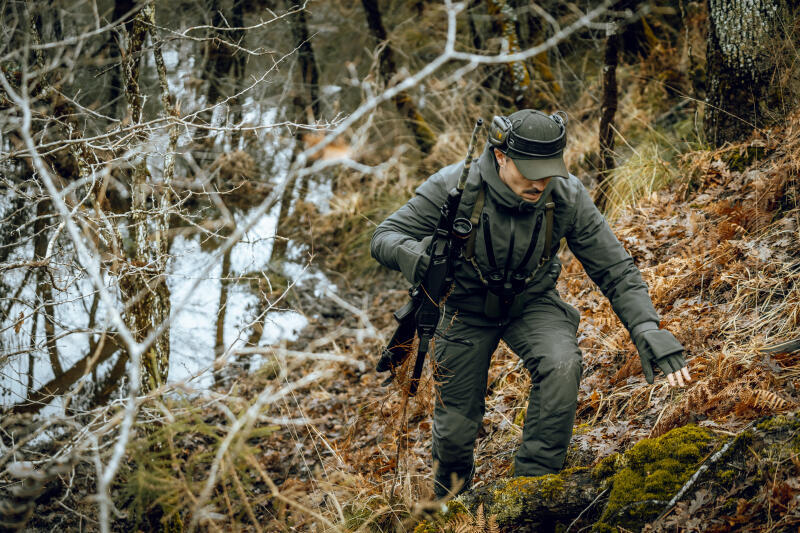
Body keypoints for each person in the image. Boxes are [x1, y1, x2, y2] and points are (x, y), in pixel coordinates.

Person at [370, 109, 692, 499]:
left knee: (562, 365)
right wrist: (417, 258)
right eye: (530, 169)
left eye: (548, 169)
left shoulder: (566, 194)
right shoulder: (455, 186)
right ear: (501, 156)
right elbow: (385, 236)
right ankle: (451, 506)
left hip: (532, 304)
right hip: (465, 311)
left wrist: (646, 327)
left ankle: (532, 489)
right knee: (455, 430)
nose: (540, 182)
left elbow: (615, 268)